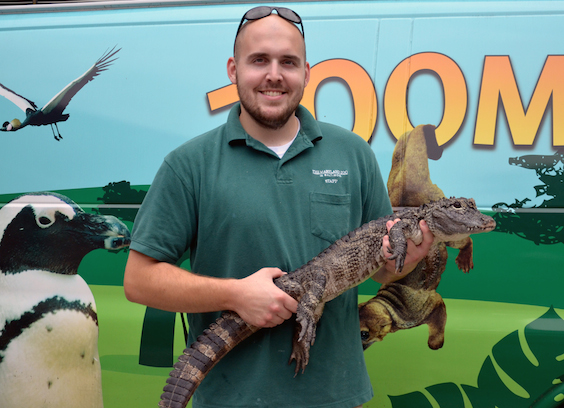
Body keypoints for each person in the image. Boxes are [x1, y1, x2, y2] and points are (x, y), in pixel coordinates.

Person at [124, 6, 433, 408]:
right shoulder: (189, 164)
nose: (274, 74)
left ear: (307, 72)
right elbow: (139, 280)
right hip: (230, 398)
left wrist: (410, 258)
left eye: (288, 61)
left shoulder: (354, 154)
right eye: (259, 61)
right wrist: (235, 294)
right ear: (234, 70)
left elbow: (385, 271)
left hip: (333, 396)